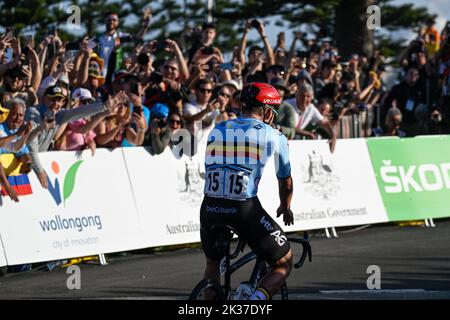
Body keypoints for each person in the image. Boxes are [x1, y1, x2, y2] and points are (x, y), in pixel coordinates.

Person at [200, 82, 294, 300]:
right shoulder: (275, 135)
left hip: (210, 206)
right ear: (268, 112)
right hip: (244, 209)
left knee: (212, 264)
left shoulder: (219, 128)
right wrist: (285, 205)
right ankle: (255, 301)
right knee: (284, 263)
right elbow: (286, 181)